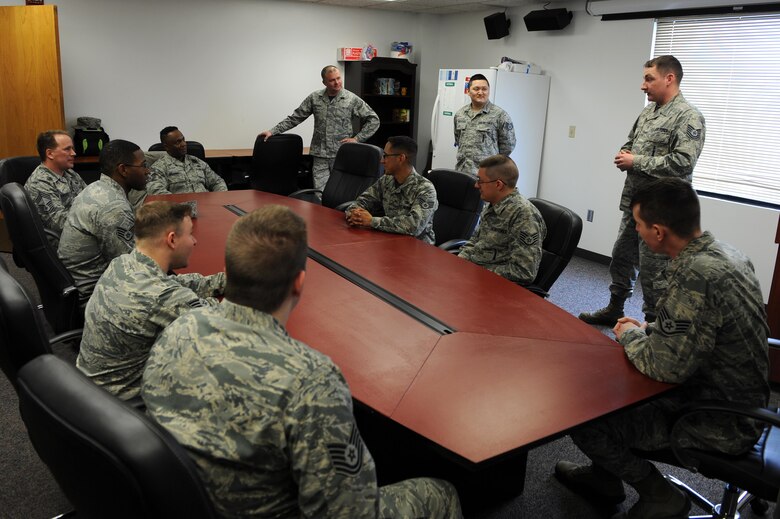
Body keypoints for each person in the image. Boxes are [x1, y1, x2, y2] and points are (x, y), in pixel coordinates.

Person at [142, 205, 462, 518]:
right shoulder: (311, 380)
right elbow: (348, 512)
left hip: (181, 501)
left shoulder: (181, 327)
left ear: (230, 273)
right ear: (299, 283)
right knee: (441, 492)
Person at [556, 178, 768, 519]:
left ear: (657, 232)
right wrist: (650, 328)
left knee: (584, 415)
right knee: (609, 390)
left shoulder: (696, 274)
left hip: (715, 420)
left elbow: (663, 368)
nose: (636, 231)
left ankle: (660, 496)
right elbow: (699, 323)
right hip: (742, 399)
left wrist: (629, 334)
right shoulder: (725, 254)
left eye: (638, 225)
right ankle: (604, 478)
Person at [579, 55, 706, 326]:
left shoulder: (688, 116)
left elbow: (683, 161)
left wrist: (636, 161)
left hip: (663, 213)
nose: (643, 85)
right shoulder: (649, 111)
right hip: (635, 204)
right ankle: (615, 308)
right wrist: (626, 152)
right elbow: (632, 141)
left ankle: (655, 326)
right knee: (621, 258)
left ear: (669, 78)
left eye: (649, 79)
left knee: (655, 273)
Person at [77, 201, 225, 401]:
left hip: (90, 395)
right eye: (190, 234)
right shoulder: (163, 297)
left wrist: (222, 281)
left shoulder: (123, 263)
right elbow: (224, 319)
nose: (194, 241)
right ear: (172, 240)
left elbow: (174, 282)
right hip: (127, 410)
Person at [258, 65, 380, 191]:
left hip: (342, 154)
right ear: (324, 82)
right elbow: (295, 118)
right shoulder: (315, 98)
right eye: (332, 80)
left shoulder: (351, 99)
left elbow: (374, 120)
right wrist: (272, 131)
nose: (337, 82)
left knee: (341, 191)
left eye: (338, 78)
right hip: (320, 154)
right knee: (320, 192)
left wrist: (357, 139)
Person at [58, 139, 149, 300]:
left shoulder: (97, 188)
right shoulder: (113, 208)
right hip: (95, 295)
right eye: (143, 165)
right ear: (123, 170)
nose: (148, 171)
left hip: (83, 283)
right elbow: (134, 270)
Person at [457, 155, 545, 286]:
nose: (476, 185)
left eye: (480, 181)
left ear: (498, 184)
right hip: (475, 276)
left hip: (493, 286)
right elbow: (475, 242)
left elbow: (523, 272)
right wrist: (458, 263)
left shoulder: (524, 216)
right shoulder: (492, 205)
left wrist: (477, 272)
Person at [346, 136, 438, 244]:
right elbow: (363, 200)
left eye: (385, 156)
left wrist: (372, 221)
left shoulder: (425, 189)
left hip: (418, 248)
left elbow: (413, 226)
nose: (381, 161)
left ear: (401, 158)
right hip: (388, 241)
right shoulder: (386, 180)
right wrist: (355, 214)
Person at [24, 130, 87, 248]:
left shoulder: (70, 174)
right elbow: (60, 224)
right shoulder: (40, 183)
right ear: (50, 154)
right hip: (63, 242)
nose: (73, 153)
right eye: (67, 149)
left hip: (80, 229)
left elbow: (90, 198)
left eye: (72, 148)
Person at [453, 74, 516, 176]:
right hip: (462, 172)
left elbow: (508, 146)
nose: (480, 92)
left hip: (486, 175)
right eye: (476, 89)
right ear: (468, 91)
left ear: (489, 91)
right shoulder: (460, 114)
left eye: (484, 89)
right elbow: (458, 139)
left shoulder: (500, 115)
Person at [146, 126, 227, 195]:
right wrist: (181, 207)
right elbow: (157, 192)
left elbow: (217, 182)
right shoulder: (158, 168)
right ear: (166, 146)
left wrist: (219, 199)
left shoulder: (197, 162)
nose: (184, 144)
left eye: (183, 139)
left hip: (207, 205)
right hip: (180, 210)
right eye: (178, 142)